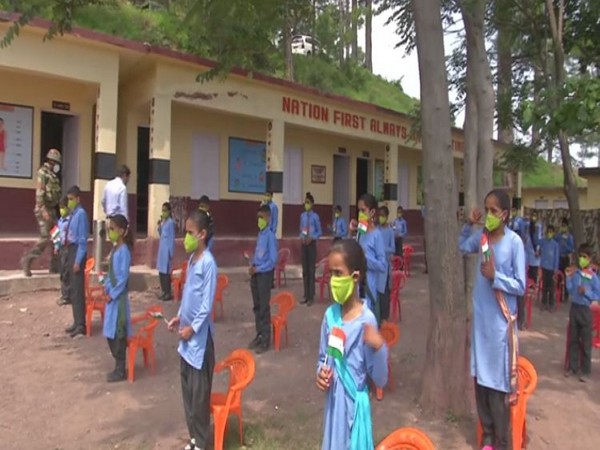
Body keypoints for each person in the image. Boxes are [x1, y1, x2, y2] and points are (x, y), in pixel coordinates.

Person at [459, 189, 526, 450]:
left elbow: (521, 285)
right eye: (486, 210)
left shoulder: (514, 243)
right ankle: (486, 435)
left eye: (493, 211)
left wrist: (496, 276)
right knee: (481, 381)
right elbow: (463, 246)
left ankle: (502, 441)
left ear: (505, 215)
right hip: (481, 324)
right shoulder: (482, 237)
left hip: (500, 325)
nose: (488, 215)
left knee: (498, 384)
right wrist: (467, 224)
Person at [316, 239, 388, 450]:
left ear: (355, 277)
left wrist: (379, 347)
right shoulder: (330, 317)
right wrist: (321, 374)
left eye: (338, 274)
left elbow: (380, 378)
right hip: (333, 408)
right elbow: (323, 358)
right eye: (331, 274)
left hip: (353, 410)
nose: (333, 280)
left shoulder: (367, 321)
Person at [167, 210, 217, 450]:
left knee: (199, 397)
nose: (185, 237)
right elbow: (188, 295)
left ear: (202, 234)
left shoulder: (208, 263)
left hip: (199, 342)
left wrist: (192, 329)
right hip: (185, 341)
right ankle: (194, 439)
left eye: (189, 233)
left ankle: (203, 443)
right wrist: (178, 318)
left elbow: (206, 305)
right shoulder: (191, 261)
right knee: (187, 394)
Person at [21, 148, 62, 277]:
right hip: (43, 210)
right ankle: (27, 260)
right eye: (56, 163)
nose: (57, 166)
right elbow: (40, 194)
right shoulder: (43, 173)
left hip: (52, 210)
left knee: (57, 238)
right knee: (45, 238)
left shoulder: (53, 176)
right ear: (52, 162)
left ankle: (55, 267)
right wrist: (43, 210)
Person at [103, 214, 133, 382]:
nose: (110, 232)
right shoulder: (115, 249)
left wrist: (112, 294)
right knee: (110, 332)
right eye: (109, 228)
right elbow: (111, 274)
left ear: (121, 231)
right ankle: (118, 365)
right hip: (111, 298)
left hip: (118, 300)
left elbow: (122, 278)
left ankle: (120, 369)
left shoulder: (124, 252)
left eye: (113, 229)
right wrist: (106, 287)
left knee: (118, 333)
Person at [565, 243, 600, 382]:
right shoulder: (576, 274)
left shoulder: (594, 277)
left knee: (586, 342)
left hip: (586, 311)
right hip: (574, 309)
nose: (581, 259)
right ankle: (573, 368)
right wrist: (567, 277)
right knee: (573, 339)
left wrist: (587, 292)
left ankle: (585, 371)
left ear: (590, 259)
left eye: (584, 257)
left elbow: (598, 295)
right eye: (580, 256)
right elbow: (570, 290)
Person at [248, 205, 278, 354]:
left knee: (264, 308)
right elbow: (258, 254)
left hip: (264, 275)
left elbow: (272, 261)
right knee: (257, 306)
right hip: (256, 274)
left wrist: (258, 269)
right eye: (258, 217)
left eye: (262, 217)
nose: (259, 220)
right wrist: (252, 264)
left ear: (268, 218)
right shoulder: (260, 234)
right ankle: (259, 335)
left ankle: (265, 339)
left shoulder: (270, 236)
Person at [356, 193, 387, 326]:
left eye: (363, 210)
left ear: (372, 212)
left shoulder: (377, 235)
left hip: (370, 289)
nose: (360, 214)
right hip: (357, 288)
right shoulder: (360, 232)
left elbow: (382, 265)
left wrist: (366, 259)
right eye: (359, 210)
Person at [64, 186, 90, 338]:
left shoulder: (81, 214)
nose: (69, 202)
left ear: (78, 199)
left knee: (78, 290)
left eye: (72, 199)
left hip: (77, 252)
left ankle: (81, 324)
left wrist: (78, 261)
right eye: (68, 199)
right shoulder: (73, 213)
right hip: (71, 249)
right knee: (73, 289)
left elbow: (82, 241)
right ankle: (76, 321)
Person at [300, 192, 322, 306]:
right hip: (304, 244)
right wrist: (302, 238)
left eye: (308, 203)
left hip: (312, 244)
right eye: (305, 202)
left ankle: (311, 296)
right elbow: (301, 229)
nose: (306, 205)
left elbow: (319, 232)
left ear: (312, 204)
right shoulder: (303, 216)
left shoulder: (315, 217)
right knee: (305, 271)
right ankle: (305, 294)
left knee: (311, 270)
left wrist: (312, 238)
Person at [378, 206, 395, 323]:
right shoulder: (376, 230)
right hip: (376, 265)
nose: (380, 218)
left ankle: (385, 317)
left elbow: (392, 248)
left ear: (387, 217)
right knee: (377, 291)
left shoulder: (389, 231)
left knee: (384, 292)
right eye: (379, 215)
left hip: (385, 265)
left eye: (383, 215)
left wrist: (383, 249)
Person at [157, 202, 175, 301]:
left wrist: (171, 252)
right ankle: (163, 291)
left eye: (165, 210)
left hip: (167, 249)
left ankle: (168, 293)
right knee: (161, 272)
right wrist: (159, 226)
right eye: (162, 210)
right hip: (161, 249)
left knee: (166, 272)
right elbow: (161, 234)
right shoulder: (163, 222)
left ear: (169, 211)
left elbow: (171, 238)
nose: (163, 212)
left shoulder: (171, 223)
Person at [540, 225, 560, 311]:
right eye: (548, 232)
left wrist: (555, 269)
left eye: (551, 232)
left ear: (553, 233)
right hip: (544, 268)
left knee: (551, 288)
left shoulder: (555, 245)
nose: (549, 233)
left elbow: (556, 257)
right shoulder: (543, 242)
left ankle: (551, 304)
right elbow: (541, 253)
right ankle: (543, 303)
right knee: (544, 287)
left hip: (552, 269)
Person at [56, 197, 71, 306]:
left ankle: (67, 296)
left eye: (63, 208)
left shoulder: (70, 221)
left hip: (68, 248)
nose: (61, 210)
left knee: (66, 273)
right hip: (61, 248)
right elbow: (57, 235)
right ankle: (64, 294)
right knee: (62, 272)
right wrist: (56, 246)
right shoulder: (60, 221)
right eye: (60, 208)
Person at [555, 218, 575, 302]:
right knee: (558, 278)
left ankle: (566, 296)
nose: (563, 227)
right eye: (562, 226)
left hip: (565, 258)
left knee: (566, 278)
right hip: (559, 258)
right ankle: (558, 296)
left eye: (564, 226)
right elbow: (554, 241)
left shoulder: (570, 237)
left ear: (567, 227)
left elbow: (571, 249)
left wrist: (565, 244)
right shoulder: (559, 235)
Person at [524, 211, 542, 283]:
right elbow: (525, 236)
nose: (533, 217)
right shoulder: (528, 225)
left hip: (535, 252)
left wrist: (537, 249)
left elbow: (539, 237)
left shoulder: (538, 226)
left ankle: (534, 287)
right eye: (532, 215)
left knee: (534, 270)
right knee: (528, 271)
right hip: (528, 250)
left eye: (535, 215)